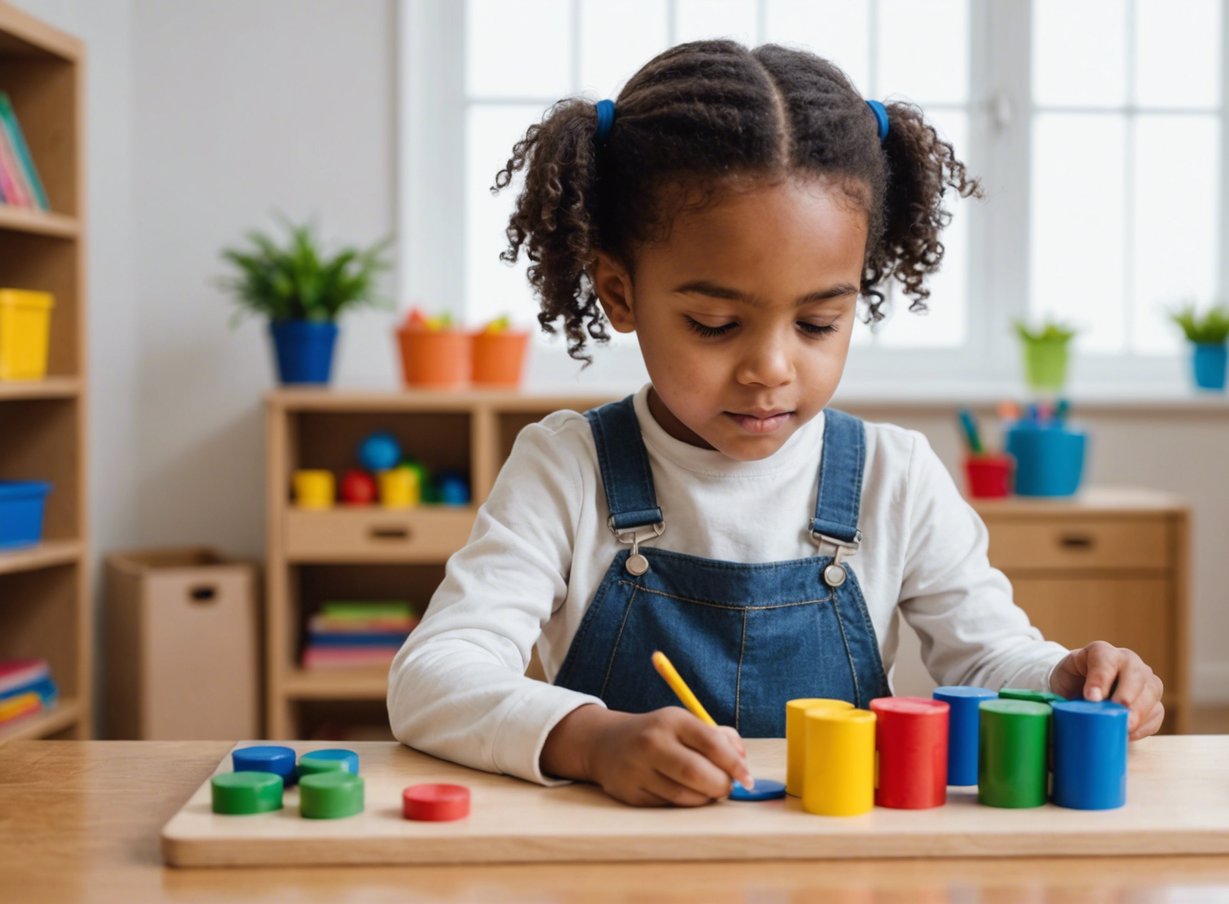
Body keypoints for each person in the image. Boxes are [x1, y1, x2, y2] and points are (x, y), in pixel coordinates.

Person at [389, 39, 1163, 808]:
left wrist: (1064, 677)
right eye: (716, 323)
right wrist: (590, 741)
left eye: (820, 323)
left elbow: (991, 659)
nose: (771, 368)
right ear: (620, 295)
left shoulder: (895, 476)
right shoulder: (567, 468)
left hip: (836, 864)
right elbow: (433, 675)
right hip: (622, 865)